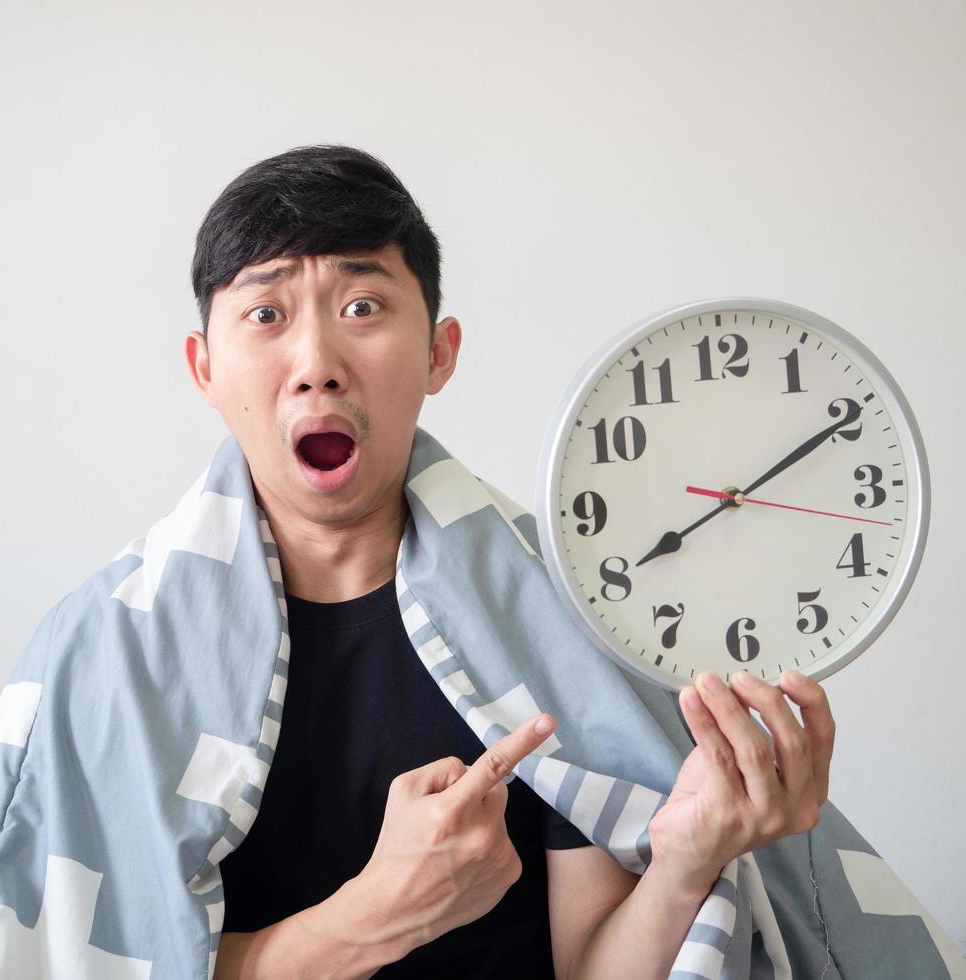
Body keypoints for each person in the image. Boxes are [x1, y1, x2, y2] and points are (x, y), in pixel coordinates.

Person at [180, 143, 836, 979]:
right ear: (205, 366)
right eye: (266, 314)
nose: (317, 367)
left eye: (363, 306)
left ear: (439, 353)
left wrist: (684, 860)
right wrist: (376, 916)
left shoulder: (550, 616)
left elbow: (594, 965)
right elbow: (89, 956)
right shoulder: (119, 654)